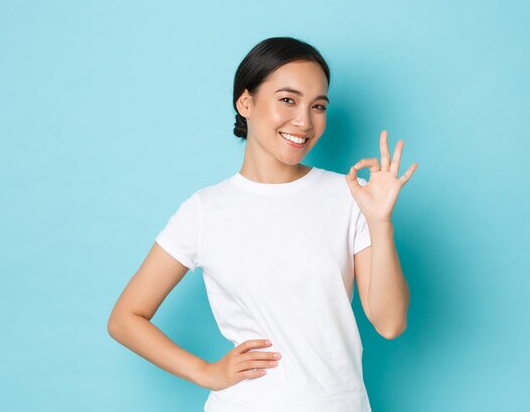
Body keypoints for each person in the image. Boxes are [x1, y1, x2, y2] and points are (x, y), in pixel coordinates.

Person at [107, 36, 417, 412]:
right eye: (288, 100)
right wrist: (205, 372)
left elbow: (390, 323)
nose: (304, 120)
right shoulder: (204, 210)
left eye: (317, 106)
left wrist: (379, 221)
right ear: (246, 101)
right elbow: (125, 319)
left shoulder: (351, 196)